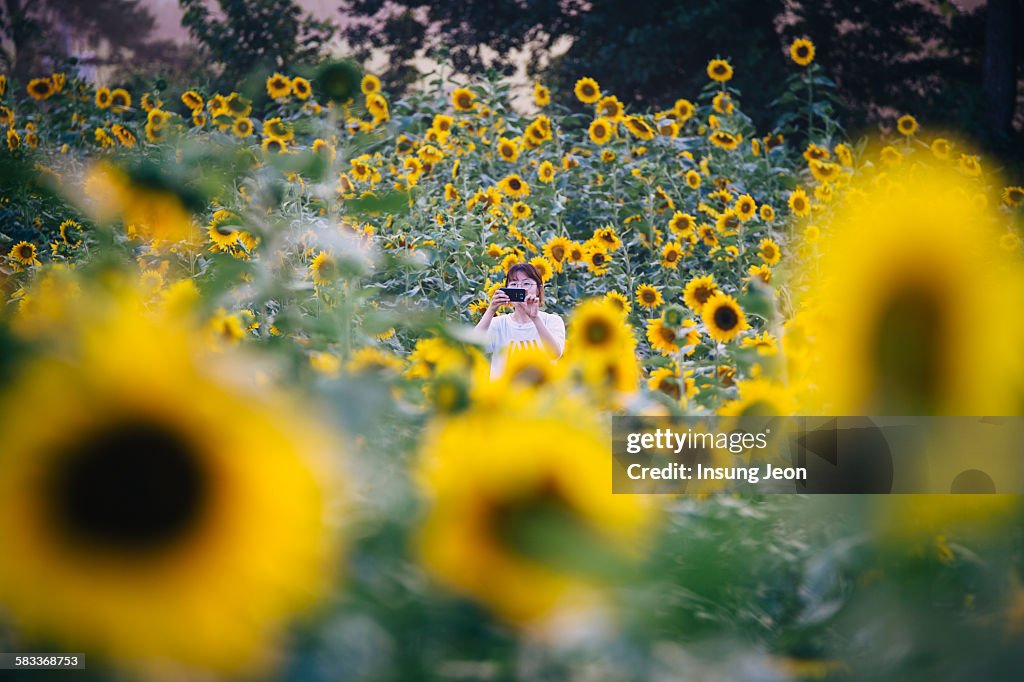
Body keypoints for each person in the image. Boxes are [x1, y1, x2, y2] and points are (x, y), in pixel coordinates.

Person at [474, 263, 565, 379]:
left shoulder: (551, 321)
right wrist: (491, 310)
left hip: (542, 395)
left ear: (539, 289)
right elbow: (472, 347)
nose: (519, 288)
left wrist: (535, 318)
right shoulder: (498, 324)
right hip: (505, 395)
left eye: (526, 283)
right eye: (514, 284)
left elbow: (555, 353)